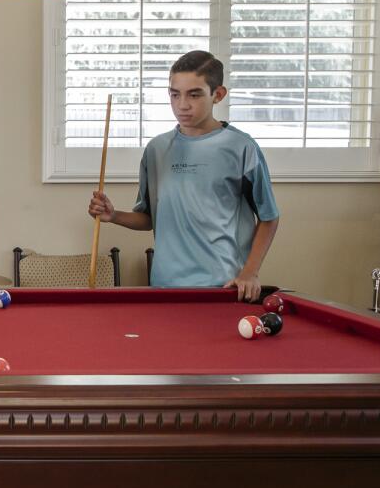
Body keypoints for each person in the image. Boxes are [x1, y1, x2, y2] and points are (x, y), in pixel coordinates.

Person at [87, 51, 280, 302]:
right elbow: (149, 218)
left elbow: (269, 217)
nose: (182, 104)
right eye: (174, 94)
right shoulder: (156, 149)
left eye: (194, 94)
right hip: (165, 286)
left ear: (218, 94)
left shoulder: (242, 148)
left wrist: (250, 273)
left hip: (222, 287)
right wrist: (113, 216)